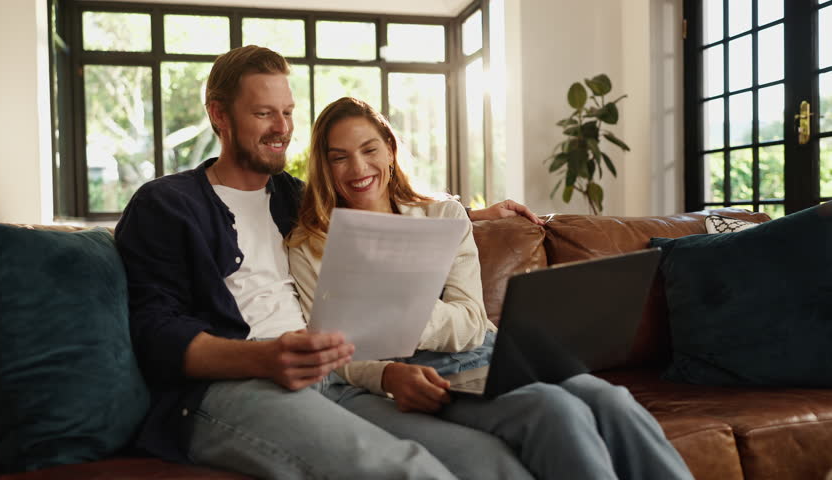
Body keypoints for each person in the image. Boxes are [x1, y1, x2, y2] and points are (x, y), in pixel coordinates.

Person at [114, 45, 543, 480]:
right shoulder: (167, 204)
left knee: (489, 462)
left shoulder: (295, 198)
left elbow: (376, 213)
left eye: (287, 111)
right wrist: (263, 358)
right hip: (231, 387)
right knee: (404, 470)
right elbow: (153, 333)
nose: (282, 128)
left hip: (336, 378)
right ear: (219, 115)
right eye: (264, 113)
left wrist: (470, 216)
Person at [286, 96, 695, 480]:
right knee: (554, 411)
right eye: (339, 157)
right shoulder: (309, 246)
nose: (357, 168)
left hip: (490, 354)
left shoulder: (443, 215)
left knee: (614, 402)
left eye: (369, 149)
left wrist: (391, 305)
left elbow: (469, 323)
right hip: (428, 375)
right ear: (326, 167)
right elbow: (327, 350)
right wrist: (385, 367)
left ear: (390, 149)